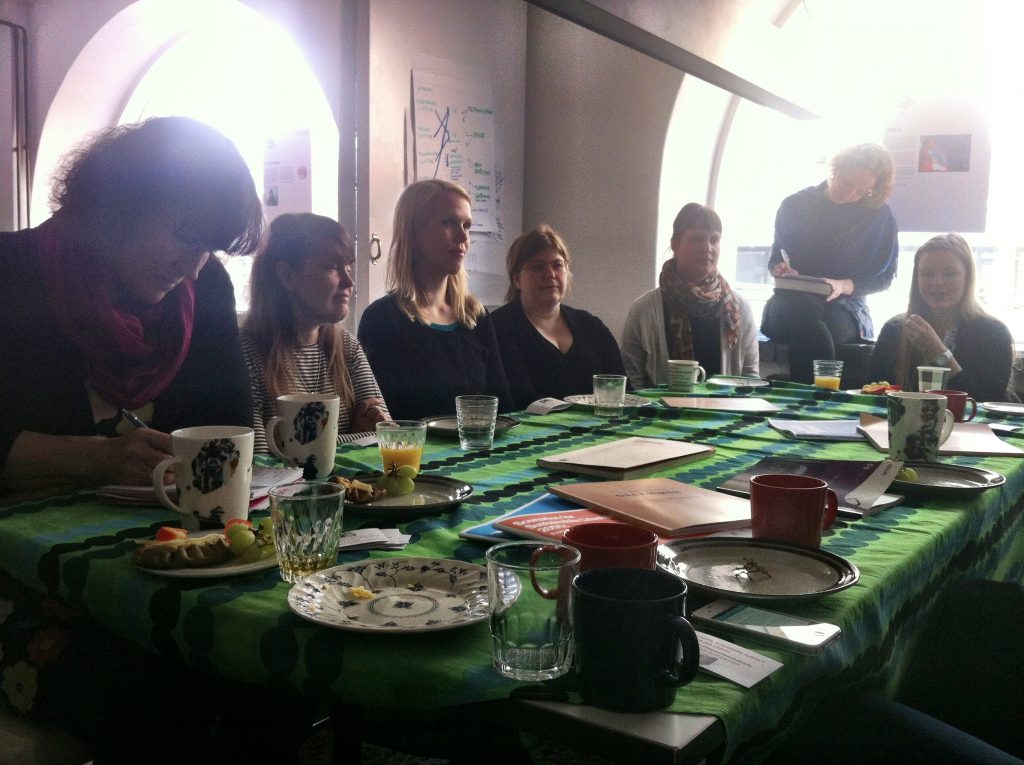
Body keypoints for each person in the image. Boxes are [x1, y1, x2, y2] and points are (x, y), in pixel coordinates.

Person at [0, 116, 262, 496]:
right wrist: (92, 459)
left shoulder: (206, 288)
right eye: (185, 235)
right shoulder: (11, 273)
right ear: (118, 206)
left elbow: (230, 429)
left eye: (209, 247)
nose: (193, 269)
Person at [357, 179, 514, 420]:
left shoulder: (476, 317)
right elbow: (377, 416)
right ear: (413, 233)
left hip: (478, 443)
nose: (463, 236)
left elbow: (504, 408)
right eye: (448, 223)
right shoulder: (382, 319)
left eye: (467, 225)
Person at [241, 213, 389, 453]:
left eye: (348, 267)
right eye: (332, 267)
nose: (349, 282)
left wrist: (293, 443)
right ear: (287, 276)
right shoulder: (246, 352)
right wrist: (355, 437)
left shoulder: (347, 346)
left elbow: (387, 436)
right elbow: (259, 460)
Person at [761, 143, 899, 384]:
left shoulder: (878, 216)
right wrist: (780, 269)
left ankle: (804, 390)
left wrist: (842, 285)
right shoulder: (795, 205)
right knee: (803, 310)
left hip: (844, 307)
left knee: (813, 323)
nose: (850, 194)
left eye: (861, 191)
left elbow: (883, 278)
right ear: (836, 169)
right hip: (789, 302)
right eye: (847, 183)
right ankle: (822, 393)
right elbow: (776, 256)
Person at [621, 202, 759, 389]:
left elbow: (750, 380)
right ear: (675, 244)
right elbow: (631, 381)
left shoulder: (738, 308)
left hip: (727, 407)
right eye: (697, 239)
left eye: (714, 240)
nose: (707, 248)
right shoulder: (644, 310)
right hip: (660, 408)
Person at [490, 225, 625, 408]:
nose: (550, 274)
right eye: (537, 267)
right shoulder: (498, 328)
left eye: (558, 265)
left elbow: (621, 391)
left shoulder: (591, 327)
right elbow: (515, 401)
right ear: (517, 279)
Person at [869, 233, 1013, 401]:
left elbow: (985, 401)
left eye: (949, 273)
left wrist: (938, 353)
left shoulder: (993, 333)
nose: (937, 282)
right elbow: (873, 395)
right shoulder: (894, 329)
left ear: (968, 278)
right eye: (927, 273)